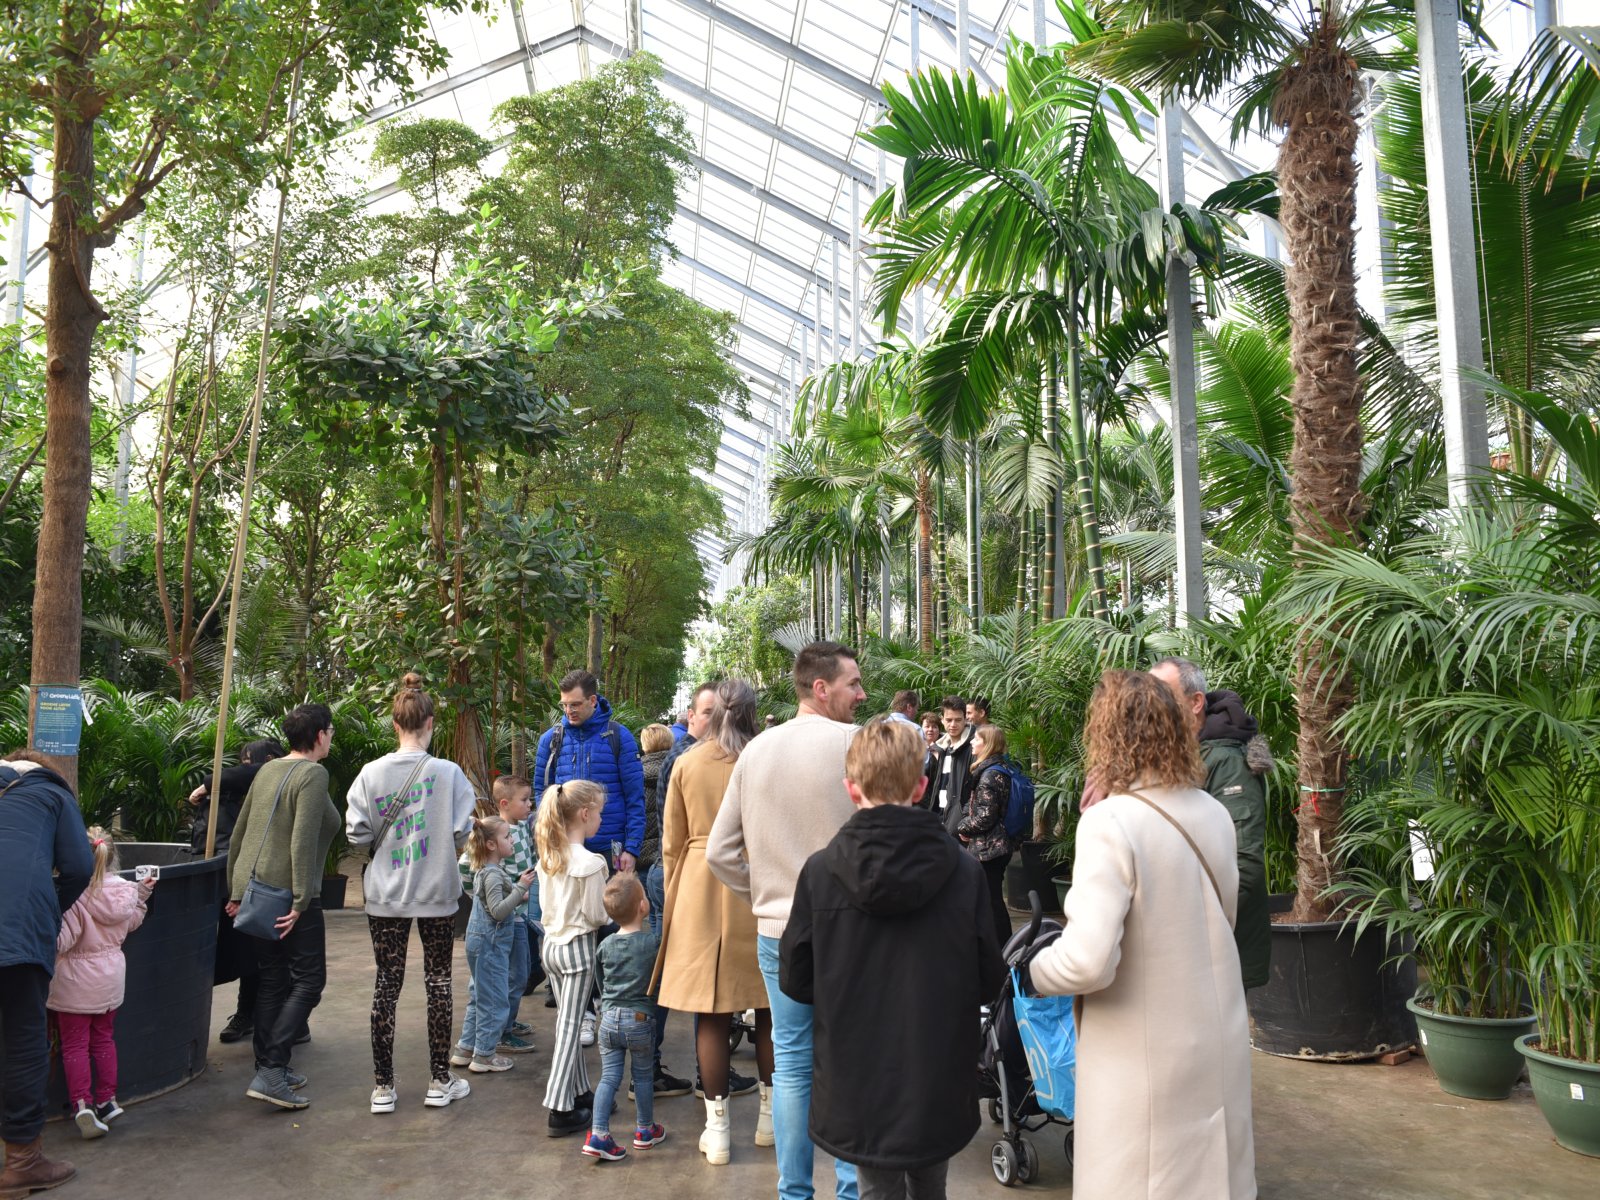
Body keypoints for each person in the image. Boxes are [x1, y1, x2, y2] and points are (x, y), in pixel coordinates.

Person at [1025, 670, 1255, 1200]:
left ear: (1108, 735)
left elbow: (1088, 962)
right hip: (1215, 1041)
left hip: (1142, 1061)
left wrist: (1035, 967)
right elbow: (1224, 920)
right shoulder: (1215, 813)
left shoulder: (1110, 822)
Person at [781, 720, 1004, 1200]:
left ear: (851, 789)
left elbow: (796, 979)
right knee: (931, 1184)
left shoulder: (821, 872)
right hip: (936, 1067)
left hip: (857, 1069)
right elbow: (989, 977)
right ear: (921, 787)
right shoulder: (963, 872)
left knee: (875, 1188)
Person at [706, 640, 867, 1200]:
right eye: (853, 683)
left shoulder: (755, 752)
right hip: (851, 931)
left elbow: (719, 852)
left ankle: (794, 1193)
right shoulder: (854, 745)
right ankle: (851, 1190)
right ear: (821, 688)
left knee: (793, 1062)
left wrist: (766, 894)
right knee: (848, 1059)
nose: (861, 694)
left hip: (778, 931)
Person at [653, 680, 774, 1167]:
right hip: (758, 886)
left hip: (700, 886)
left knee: (710, 1012)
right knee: (769, 1006)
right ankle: (770, 1120)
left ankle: (718, 1130)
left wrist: (674, 897)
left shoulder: (687, 763)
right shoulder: (765, 758)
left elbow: (671, 842)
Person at [344, 674, 478, 1114]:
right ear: (430, 723)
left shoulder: (370, 774)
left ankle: (383, 1088)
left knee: (386, 983)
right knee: (438, 982)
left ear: (395, 723)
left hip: (385, 895)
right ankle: (440, 1080)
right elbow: (462, 832)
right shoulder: (449, 773)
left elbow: (357, 834)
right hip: (437, 891)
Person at [225, 703, 341, 1111]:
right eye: (330, 730)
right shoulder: (312, 774)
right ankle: (272, 1069)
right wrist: (301, 898)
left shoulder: (269, 770)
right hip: (291, 896)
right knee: (309, 981)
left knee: (273, 979)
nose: (331, 736)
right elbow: (302, 840)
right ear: (320, 735)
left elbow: (241, 832)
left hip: (257, 890)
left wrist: (236, 890)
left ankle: (268, 1067)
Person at [0, 749, 93, 1196]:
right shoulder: (50, 793)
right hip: (15, 930)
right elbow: (78, 867)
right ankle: (22, 1163)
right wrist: (47, 912)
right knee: (22, 1042)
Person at [1149, 658, 1272, 990]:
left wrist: (1187, 930)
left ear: (1195, 703)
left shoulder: (1227, 762)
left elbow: (1244, 865)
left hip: (1216, 953)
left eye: (1162, 694)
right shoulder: (1172, 758)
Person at [649, 682, 732, 1099]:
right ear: (691, 715)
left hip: (691, 874)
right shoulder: (687, 758)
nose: (713, 719)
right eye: (706, 711)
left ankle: (700, 1082)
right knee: (696, 984)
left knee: (700, 988)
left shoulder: (696, 758)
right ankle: (663, 1072)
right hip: (692, 877)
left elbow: (672, 833)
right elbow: (671, 832)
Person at [48, 827, 154, 1139]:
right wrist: (142, 895)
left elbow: (63, 941)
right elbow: (132, 921)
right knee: (104, 1040)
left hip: (74, 983)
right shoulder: (125, 892)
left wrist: (46, 919)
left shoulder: (75, 896)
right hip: (110, 979)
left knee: (75, 1045)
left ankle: (83, 1104)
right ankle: (108, 1100)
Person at [188, 738, 285, 1046]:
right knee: (247, 953)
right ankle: (248, 1014)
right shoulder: (240, 790)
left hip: (269, 882)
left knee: (267, 957)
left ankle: (282, 1022)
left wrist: (207, 783)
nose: (245, 768)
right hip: (243, 882)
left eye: (250, 761)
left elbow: (256, 772)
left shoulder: (280, 774)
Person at [535, 779, 609, 1137]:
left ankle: (579, 1092)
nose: (601, 819)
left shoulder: (549, 855)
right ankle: (559, 1107)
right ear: (584, 813)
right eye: (599, 813)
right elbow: (597, 915)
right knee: (570, 1029)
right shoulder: (591, 863)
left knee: (566, 1022)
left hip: (550, 946)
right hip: (578, 949)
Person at [583, 873, 666, 1162]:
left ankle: (598, 1134)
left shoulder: (604, 946)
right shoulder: (652, 943)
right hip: (640, 1019)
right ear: (643, 906)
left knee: (609, 1077)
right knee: (642, 1076)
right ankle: (644, 1130)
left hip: (608, 1019)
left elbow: (600, 981)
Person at [455, 775, 539, 1055]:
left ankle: (503, 1025)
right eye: (524, 800)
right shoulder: (495, 835)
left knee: (513, 976)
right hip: (505, 920)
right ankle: (499, 1033)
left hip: (519, 915)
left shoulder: (520, 827)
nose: (529, 804)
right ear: (504, 803)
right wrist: (486, 897)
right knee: (507, 980)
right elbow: (466, 866)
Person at [534, 669, 645, 874]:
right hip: (565, 847)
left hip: (610, 849)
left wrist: (631, 848)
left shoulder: (619, 736)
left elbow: (635, 797)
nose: (568, 710)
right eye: (564, 705)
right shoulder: (551, 740)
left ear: (592, 700)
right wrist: (548, 838)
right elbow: (542, 793)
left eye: (575, 704)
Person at [957, 724, 1015, 946]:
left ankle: (1004, 949)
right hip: (995, 845)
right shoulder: (998, 769)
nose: (972, 742)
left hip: (990, 848)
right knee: (991, 900)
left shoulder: (989, 775)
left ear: (988, 744)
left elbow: (985, 816)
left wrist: (963, 827)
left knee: (992, 902)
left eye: (976, 739)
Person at [638, 724, 673, 938]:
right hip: (669, 853)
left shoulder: (636, 775)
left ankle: (655, 952)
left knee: (652, 910)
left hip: (643, 855)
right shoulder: (678, 769)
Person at [922, 696, 974, 835]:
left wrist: (966, 822)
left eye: (958, 720)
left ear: (965, 719)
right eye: (949, 720)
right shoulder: (941, 748)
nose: (953, 724)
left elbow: (977, 790)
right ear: (942, 719)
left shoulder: (973, 747)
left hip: (960, 824)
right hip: (938, 817)